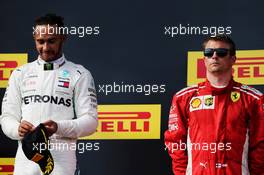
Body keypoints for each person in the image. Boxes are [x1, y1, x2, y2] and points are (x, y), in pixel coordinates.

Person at [0, 14, 98, 175]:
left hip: (62, 161)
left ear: (63, 38)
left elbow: (91, 122)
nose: (45, 47)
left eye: (51, 41)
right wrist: (17, 128)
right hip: (26, 161)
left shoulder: (80, 74)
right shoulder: (20, 73)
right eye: (40, 41)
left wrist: (59, 127)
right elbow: (6, 118)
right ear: (34, 38)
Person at [164, 35, 264, 175]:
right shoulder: (184, 98)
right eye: (209, 53)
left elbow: (260, 146)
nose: (214, 56)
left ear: (233, 59)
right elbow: (175, 142)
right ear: (204, 59)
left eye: (221, 53)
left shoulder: (253, 99)